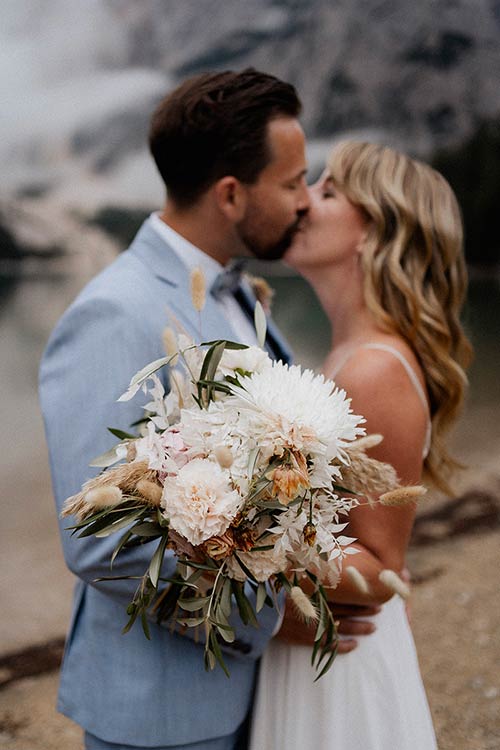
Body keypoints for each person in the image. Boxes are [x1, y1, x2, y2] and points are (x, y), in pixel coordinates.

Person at [39, 71, 375, 750]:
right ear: (230, 194)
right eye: (291, 183)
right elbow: (101, 540)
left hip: (253, 697)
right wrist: (272, 618)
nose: (306, 203)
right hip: (162, 709)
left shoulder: (240, 294)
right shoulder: (115, 310)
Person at [250, 140, 472, 749]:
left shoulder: (373, 370)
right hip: (315, 642)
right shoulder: (349, 357)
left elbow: (380, 568)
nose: (302, 203)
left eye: (326, 192)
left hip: (337, 663)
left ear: (372, 232)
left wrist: (232, 539)